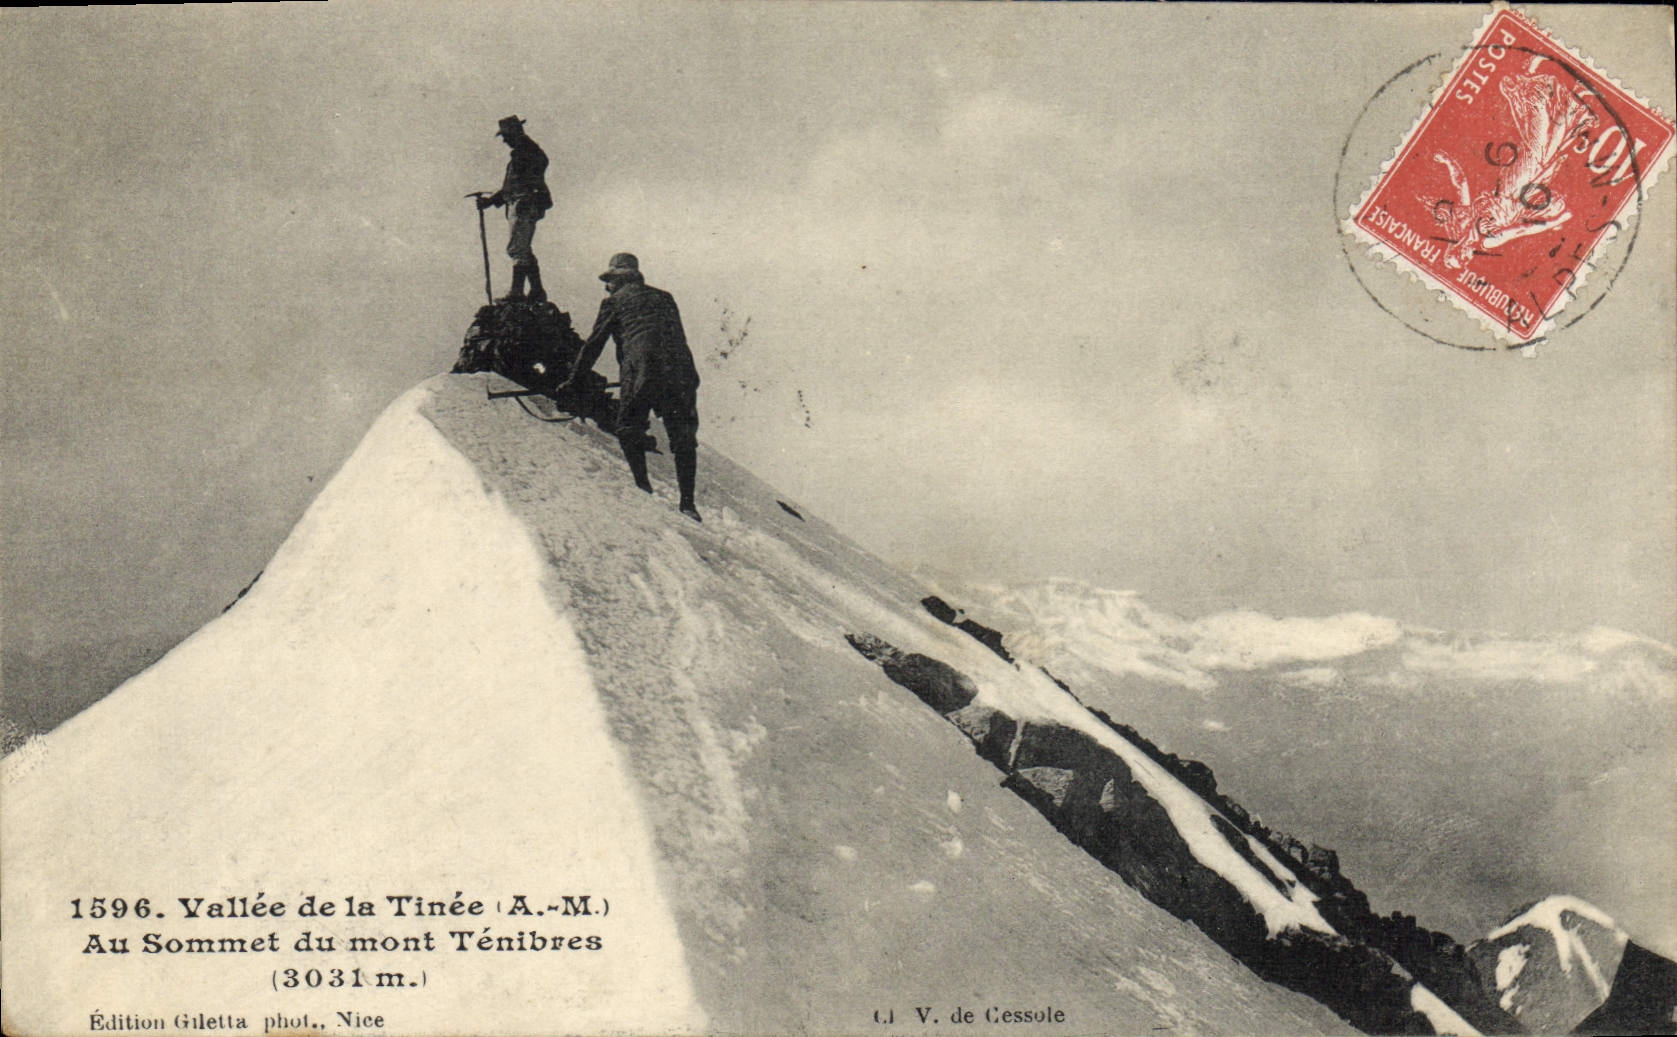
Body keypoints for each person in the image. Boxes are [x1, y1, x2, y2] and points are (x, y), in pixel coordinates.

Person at [560, 254, 703, 522]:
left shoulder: (613, 302)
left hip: (642, 371)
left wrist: (573, 381)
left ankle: (642, 486)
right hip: (682, 373)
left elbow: (593, 346)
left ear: (620, 280)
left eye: (609, 281)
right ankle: (688, 504)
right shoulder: (665, 298)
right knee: (683, 437)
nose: (607, 287)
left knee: (628, 427)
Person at [476, 116, 552, 302]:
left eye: (506, 135)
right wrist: (491, 201)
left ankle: (517, 291)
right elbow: (514, 185)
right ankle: (536, 290)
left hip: (523, 203)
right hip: (522, 202)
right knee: (523, 247)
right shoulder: (523, 152)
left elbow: (518, 185)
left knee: (517, 248)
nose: (504, 140)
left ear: (515, 133)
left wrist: (492, 201)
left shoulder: (526, 152)